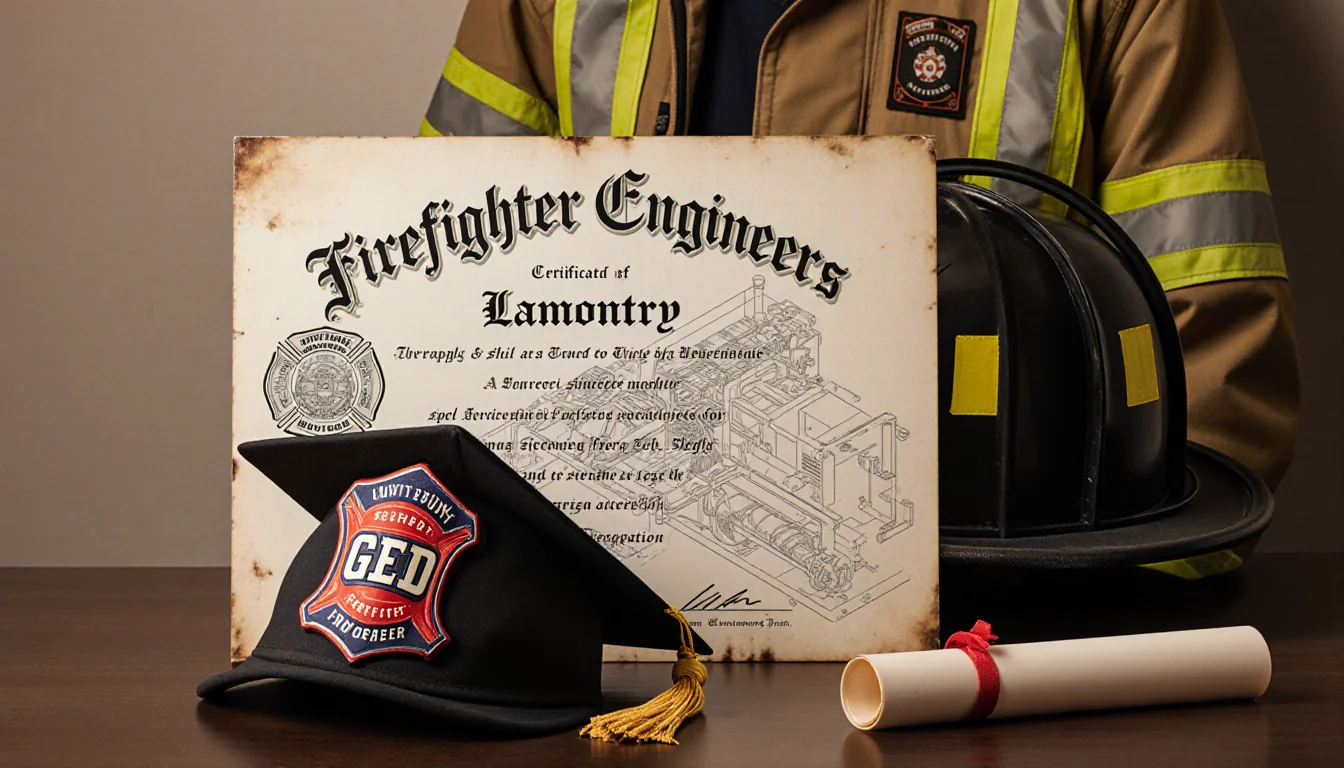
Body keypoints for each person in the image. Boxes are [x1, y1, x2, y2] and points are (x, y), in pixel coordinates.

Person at [420, 0, 1299, 574]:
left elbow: (1207, 348)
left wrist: (1086, 636)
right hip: (609, 614)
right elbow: (432, 288)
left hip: (993, 632)